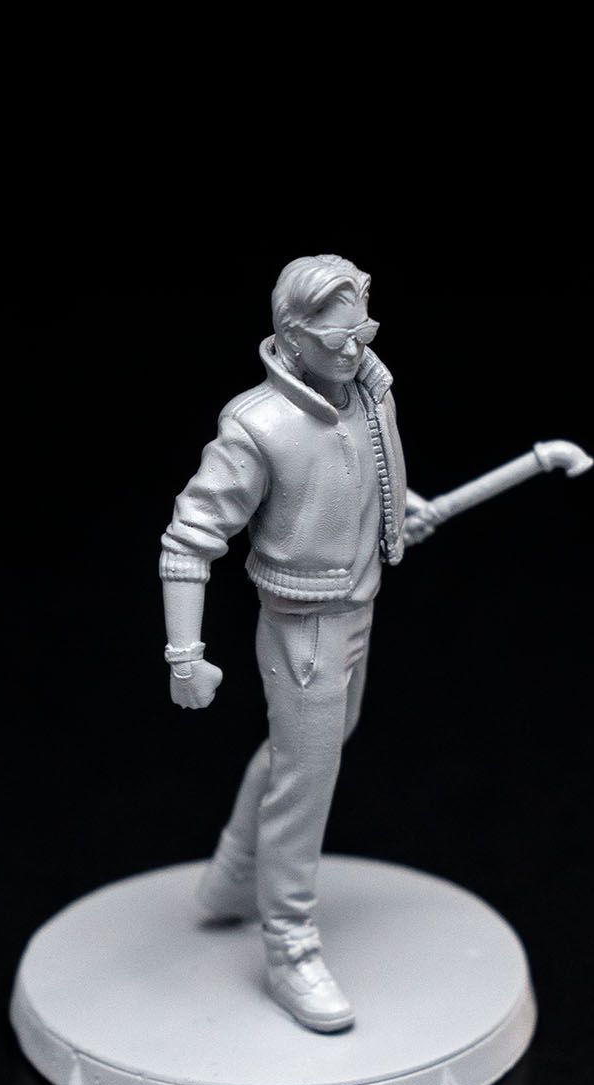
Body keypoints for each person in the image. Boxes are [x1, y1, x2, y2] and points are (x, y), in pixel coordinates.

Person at [160, 255, 435, 1033]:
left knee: (306, 755)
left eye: (364, 330)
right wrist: (185, 656)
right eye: (338, 338)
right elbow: (187, 541)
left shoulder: (368, 390)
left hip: (359, 605)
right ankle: (289, 942)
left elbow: (360, 471)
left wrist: (397, 507)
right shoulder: (259, 426)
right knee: (307, 781)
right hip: (304, 627)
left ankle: (232, 872)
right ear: (291, 336)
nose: (356, 349)